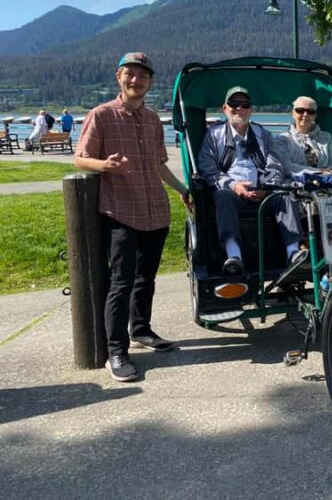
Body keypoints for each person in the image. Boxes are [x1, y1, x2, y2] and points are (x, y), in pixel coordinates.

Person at [75, 52, 191, 383]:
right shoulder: (101, 115)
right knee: (121, 282)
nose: (135, 80)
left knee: (146, 279)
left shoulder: (154, 120)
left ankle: (141, 329)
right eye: (130, 74)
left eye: (142, 76)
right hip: (120, 212)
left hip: (155, 209)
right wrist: (104, 166)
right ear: (119, 78)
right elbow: (80, 158)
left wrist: (182, 190)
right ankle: (116, 352)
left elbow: (158, 164)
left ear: (150, 82)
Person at [197, 86, 307, 277]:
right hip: (232, 190)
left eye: (244, 104)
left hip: (263, 189)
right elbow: (208, 169)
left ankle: (293, 253)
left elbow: (276, 164)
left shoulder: (262, 134)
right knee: (223, 195)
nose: (239, 108)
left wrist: (266, 187)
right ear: (225, 108)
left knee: (284, 196)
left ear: (251, 110)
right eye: (234, 104)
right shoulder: (214, 135)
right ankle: (234, 256)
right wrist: (234, 186)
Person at [274, 96, 332, 187]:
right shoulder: (282, 139)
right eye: (300, 110)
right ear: (293, 113)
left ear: (315, 116)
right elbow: (287, 167)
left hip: (325, 184)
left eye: (310, 112)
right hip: (296, 186)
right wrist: (319, 172)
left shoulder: (326, 137)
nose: (305, 114)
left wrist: (330, 173)